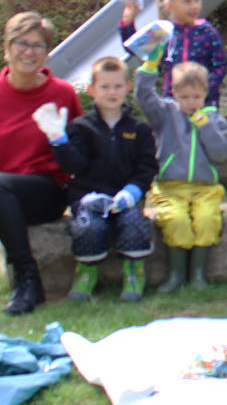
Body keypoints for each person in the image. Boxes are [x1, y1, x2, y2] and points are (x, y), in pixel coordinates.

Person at [37, 57, 158, 303]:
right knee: (88, 227)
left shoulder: (140, 129)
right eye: (104, 86)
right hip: (89, 200)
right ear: (92, 90)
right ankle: (86, 272)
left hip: (125, 198)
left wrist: (133, 191)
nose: (111, 92)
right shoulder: (80, 127)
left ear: (127, 87)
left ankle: (134, 271)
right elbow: (74, 165)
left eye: (117, 86)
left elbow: (147, 167)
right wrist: (59, 141)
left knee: (134, 223)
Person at [0, 12, 82, 314]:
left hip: (46, 190)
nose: (29, 51)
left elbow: (77, 153)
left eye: (38, 45)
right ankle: (27, 281)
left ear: (46, 53)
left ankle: (28, 278)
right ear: (7, 48)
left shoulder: (62, 93)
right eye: (21, 43)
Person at [135, 55, 227, 294]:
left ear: (205, 93)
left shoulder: (213, 118)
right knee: (176, 220)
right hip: (171, 188)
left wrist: (205, 126)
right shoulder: (166, 113)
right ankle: (176, 274)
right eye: (185, 97)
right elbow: (144, 99)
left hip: (205, 188)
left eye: (196, 97)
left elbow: (222, 153)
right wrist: (149, 68)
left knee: (208, 220)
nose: (191, 102)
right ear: (174, 93)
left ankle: (198, 274)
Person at [119, 0, 227, 107]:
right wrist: (128, 23)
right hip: (173, 104)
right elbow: (136, 49)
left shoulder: (208, 32)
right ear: (169, 6)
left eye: (197, 0)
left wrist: (203, 90)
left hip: (203, 104)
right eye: (187, 1)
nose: (194, 6)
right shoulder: (164, 31)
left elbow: (220, 66)